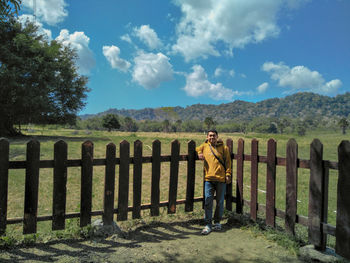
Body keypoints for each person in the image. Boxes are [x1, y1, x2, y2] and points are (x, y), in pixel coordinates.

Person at [196, 129, 232, 235]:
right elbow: (196, 148)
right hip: (208, 179)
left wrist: (228, 174)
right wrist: (199, 153)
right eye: (210, 136)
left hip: (221, 179)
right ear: (207, 137)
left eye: (214, 136)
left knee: (220, 202)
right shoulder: (204, 146)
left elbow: (228, 163)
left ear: (217, 136)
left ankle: (217, 222)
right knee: (208, 200)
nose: (212, 137)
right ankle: (208, 224)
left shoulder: (224, 148)